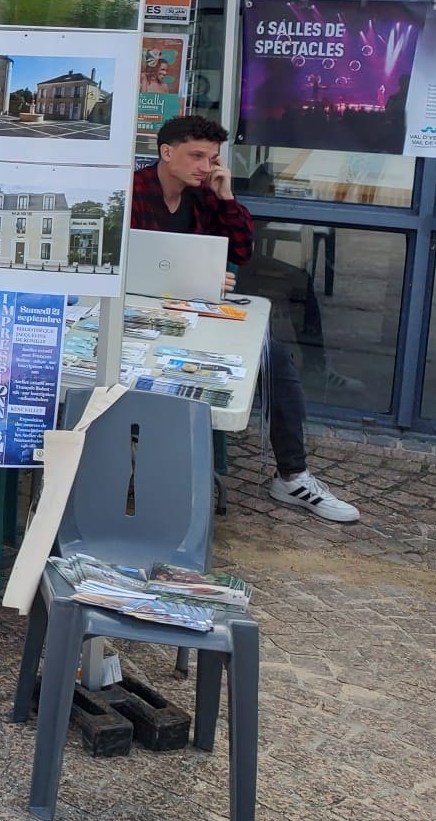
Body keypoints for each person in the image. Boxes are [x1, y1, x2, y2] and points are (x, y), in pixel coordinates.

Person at [132, 114, 359, 523]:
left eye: (213, 158)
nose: (207, 167)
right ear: (166, 153)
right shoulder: (132, 192)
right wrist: (197, 277)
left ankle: (292, 475)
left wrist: (227, 197)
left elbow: (242, 249)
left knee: (274, 356)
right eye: (197, 156)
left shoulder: (203, 194)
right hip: (140, 315)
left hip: (198, 311)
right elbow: (119, 264)